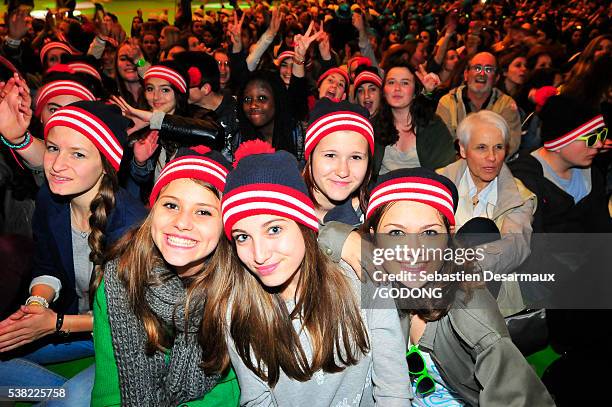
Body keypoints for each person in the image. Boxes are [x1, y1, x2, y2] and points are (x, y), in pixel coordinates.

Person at [198, 140, 412, 406]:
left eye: (274, 229)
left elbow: (393, 390)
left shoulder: (361, 278)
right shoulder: (238, 309)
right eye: (243, 237)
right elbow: (257, 400)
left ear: (305, 227)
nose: (260, 254)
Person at [363, 167, 555, 406]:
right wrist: (341, 240)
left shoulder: (471, 316)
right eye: (396, 233)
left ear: (449, 236)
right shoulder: (375, 276)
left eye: (430, 232)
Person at [0, 101, 146, 406]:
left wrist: (54, 324)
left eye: (77, 154)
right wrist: (37, 304)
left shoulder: (132, 224)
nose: (56, 165)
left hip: (129, 339)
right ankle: (75, 393)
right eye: (53, 149)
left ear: (106, 164)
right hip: (76, 323)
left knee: (64, 401)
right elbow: (47, 265)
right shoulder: (52, 198)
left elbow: (130, 316)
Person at [92, 146, 239, 406]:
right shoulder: (120, 279)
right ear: (153, 211)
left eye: (203, 211)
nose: (182, 222)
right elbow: (109, 392)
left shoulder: (238, 288)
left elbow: (231, 391)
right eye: (171, 205)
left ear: (225, 224)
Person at [437, 110, 536, 315]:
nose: (492, 157)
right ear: (463, 150)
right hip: (437, 284)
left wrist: (461, 267)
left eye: (498, 148)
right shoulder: (438, 183)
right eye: (481, 148)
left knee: (482, 229)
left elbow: (516, 246)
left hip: (490, 295)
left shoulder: (518, 195)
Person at [372, 61, 456, 176]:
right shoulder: (373, 126)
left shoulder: (432, 125)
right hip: (382, 191)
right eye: (391, 82)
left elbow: (447, 171)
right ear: (384, 92)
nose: (397, 88)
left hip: (425, 190)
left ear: (415, 93)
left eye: (405, 83)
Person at [436, 52, 522, 157]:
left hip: (493, 165)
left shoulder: (507, 105)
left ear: (496, 78)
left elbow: (510, 144)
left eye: (488, 69)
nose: (482, 74)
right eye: (477, 68)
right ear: (466, 74)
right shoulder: (447, 102)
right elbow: (442, 143)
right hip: (455, 167)